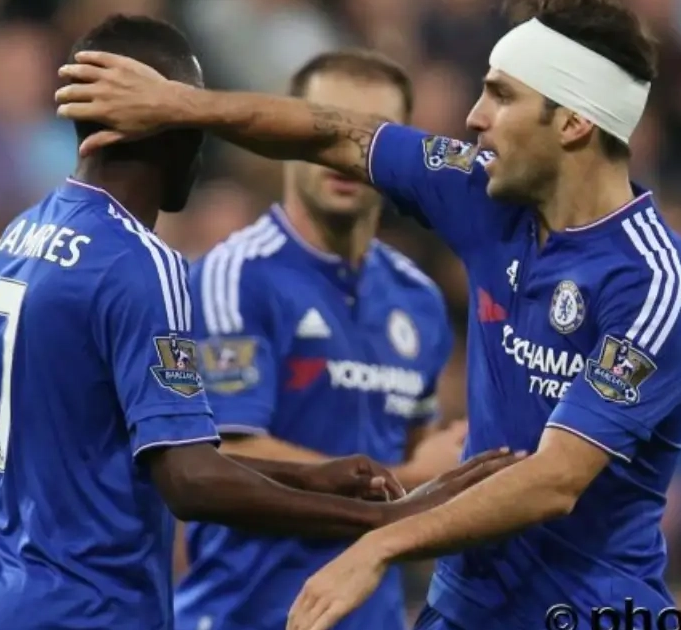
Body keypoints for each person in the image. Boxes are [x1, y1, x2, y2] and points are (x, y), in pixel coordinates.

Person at [53, 0, 681, 628]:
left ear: (573, 123)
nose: (475, 118)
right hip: (463, 605)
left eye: (502, 96)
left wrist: (380, 542)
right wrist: (180, 104)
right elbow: (338, 134)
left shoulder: (653, 284)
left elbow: (554, 480)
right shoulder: (485, 196)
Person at [0, 14, 519, 630]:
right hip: (87, 608)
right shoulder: (144, 264)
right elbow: (189, 478)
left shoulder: (26, 233)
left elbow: (131, 447)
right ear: (168, 129)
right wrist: (386, 516)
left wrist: (314, 477)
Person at [175, 50, 466, 630]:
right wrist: (411, 481)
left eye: (370, 137)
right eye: (324, 128)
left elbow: (418, 448)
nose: (343, 153)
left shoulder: (419, 298)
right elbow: (224, 455)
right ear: (288, 136)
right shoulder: (236, 276)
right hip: (248, 616)